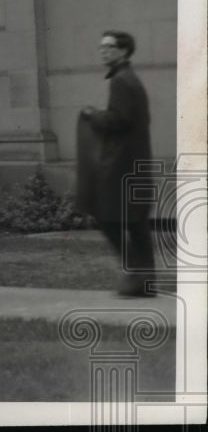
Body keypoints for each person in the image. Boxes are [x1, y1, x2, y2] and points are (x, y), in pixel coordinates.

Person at [79, 31, 157, 297]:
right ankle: (145, 279)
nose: (103, 51)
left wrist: (93, 115)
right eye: (101, 46)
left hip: (121, 162)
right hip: (135, 160)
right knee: (135, 220)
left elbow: (118, 120)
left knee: (107, 216)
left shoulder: (122, 81)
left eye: (109, 47)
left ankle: (137, 271)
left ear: (123, 51)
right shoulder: (129, 78)